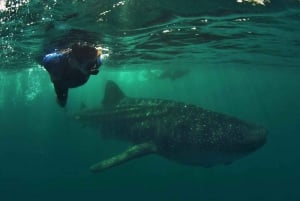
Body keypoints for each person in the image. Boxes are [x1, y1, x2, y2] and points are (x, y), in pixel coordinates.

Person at [42, 43, 102, 107]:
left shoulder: (96, 62)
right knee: (62, 103)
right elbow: (48, 63)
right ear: (71, 57)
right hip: (61, 79)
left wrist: (84, 69)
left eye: (90, 62)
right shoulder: (54, 61)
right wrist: (54, 77)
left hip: (68, 78)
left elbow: (98, 55)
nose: (90, 66)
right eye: (83, 62)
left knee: (62, 103)